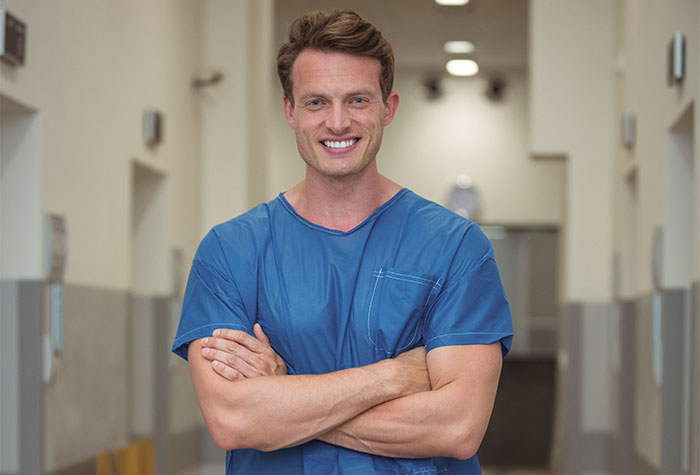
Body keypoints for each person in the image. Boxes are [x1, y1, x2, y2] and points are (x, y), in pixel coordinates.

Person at [172, 9, 513, 474]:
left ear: (388, 108)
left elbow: (457, 427)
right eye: (316, 102)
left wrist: (284, 395)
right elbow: (233, 419)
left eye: (357, 100)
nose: (337, 122)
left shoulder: (455, 247)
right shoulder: (231, 252)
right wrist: (392, 377)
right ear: (290, 111)